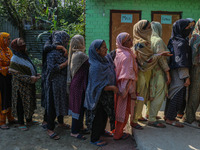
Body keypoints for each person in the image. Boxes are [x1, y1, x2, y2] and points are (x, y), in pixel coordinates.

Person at [131, 20, 171, 129]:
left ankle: (140, 116)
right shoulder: (143, 43)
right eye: (147, 28)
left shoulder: (147, 41)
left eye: (150, 27)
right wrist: (167, 72)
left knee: (146, 96)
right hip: (144, 73)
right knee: (143, 96)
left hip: (148, 73)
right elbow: (144, 63)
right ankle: (138, 119)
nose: (150, 30)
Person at [84, 40, 118, 146]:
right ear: (97, 50)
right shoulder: (96, 66)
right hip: (97, 96)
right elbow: (98, 86)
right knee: (98, 117)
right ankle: (94, 138)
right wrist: (112, 87)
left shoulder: (105, 60)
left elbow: (113, 54)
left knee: (104, 115)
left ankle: (102, 131)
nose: (106, 49)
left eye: (106, 46)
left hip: (105, 96)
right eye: (103, 47)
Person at [165, 19, 192, 127]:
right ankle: (170, 119)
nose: (189, 29)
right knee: (178, 95)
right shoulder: (182, 43)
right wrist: (186, 77)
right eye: (187, 27)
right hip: (179, 75)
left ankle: (168, 116)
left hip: (173, 73)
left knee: (172, 95)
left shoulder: (173, 40)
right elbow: (182, 62)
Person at [9, 38, 40, 131]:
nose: (24, 45)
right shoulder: (14, 59)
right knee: (20, 104)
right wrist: (30, 78)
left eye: (24, 42)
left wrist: (35, 74)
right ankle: (21, 123)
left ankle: (29, 120)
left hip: (29, 85)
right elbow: (17, 75)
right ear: (17, 47)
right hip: (20, 87)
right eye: (21, 44)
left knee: (29, 102)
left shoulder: (24, 56)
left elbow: (29, 67)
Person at [41, 31, 69, 130]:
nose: (67, 42)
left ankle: (61, 122)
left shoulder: (63, 52)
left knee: (61, 103)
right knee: (52, 105)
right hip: (53, 83)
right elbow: (52, 68)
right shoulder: (52, 52)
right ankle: (50, 128)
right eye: (66, 40)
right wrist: (65, 64)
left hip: (61, 84)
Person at [113, 32, 137, 139]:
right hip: (124, 88)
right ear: (123, 43)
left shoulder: (119, 51)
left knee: (117, 109)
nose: (131, 41)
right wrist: (129, 92)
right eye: (129, 40)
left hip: (117, 85)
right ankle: (118, 134)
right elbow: (127, 76)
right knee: (123, 111)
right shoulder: (127, 56)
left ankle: (115, 131)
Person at [147, 21, 171, 128]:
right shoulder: (158, 40)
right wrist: (168, 73)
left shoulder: (148, 39)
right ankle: (152, 119)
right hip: (158, 72)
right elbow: (162, 59)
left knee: (151, 93)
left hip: (149, 71)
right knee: (158, 95)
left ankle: (149, 113)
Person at [67, 35, 90, 140]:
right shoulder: (81, 55)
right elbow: (91, 63)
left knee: (80, 107)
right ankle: (74, 131)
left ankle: (80, 127)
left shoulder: (74, 54)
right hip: (78, 85)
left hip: (78, 84)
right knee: (78, 108)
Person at [184, 19, 200, 128]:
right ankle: (189, 117)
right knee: (195, 93)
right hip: (196, 68)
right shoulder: (196, 37)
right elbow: (193, 54)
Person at [0, 32, 16, 129]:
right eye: (8, 39)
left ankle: (10, 117)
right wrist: (8, 69)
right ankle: (2, 122)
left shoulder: (9, 50)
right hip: (1, 79)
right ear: (2, 40)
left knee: (10, 97)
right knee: (3, 98)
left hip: (9, 77)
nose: (9, 41)